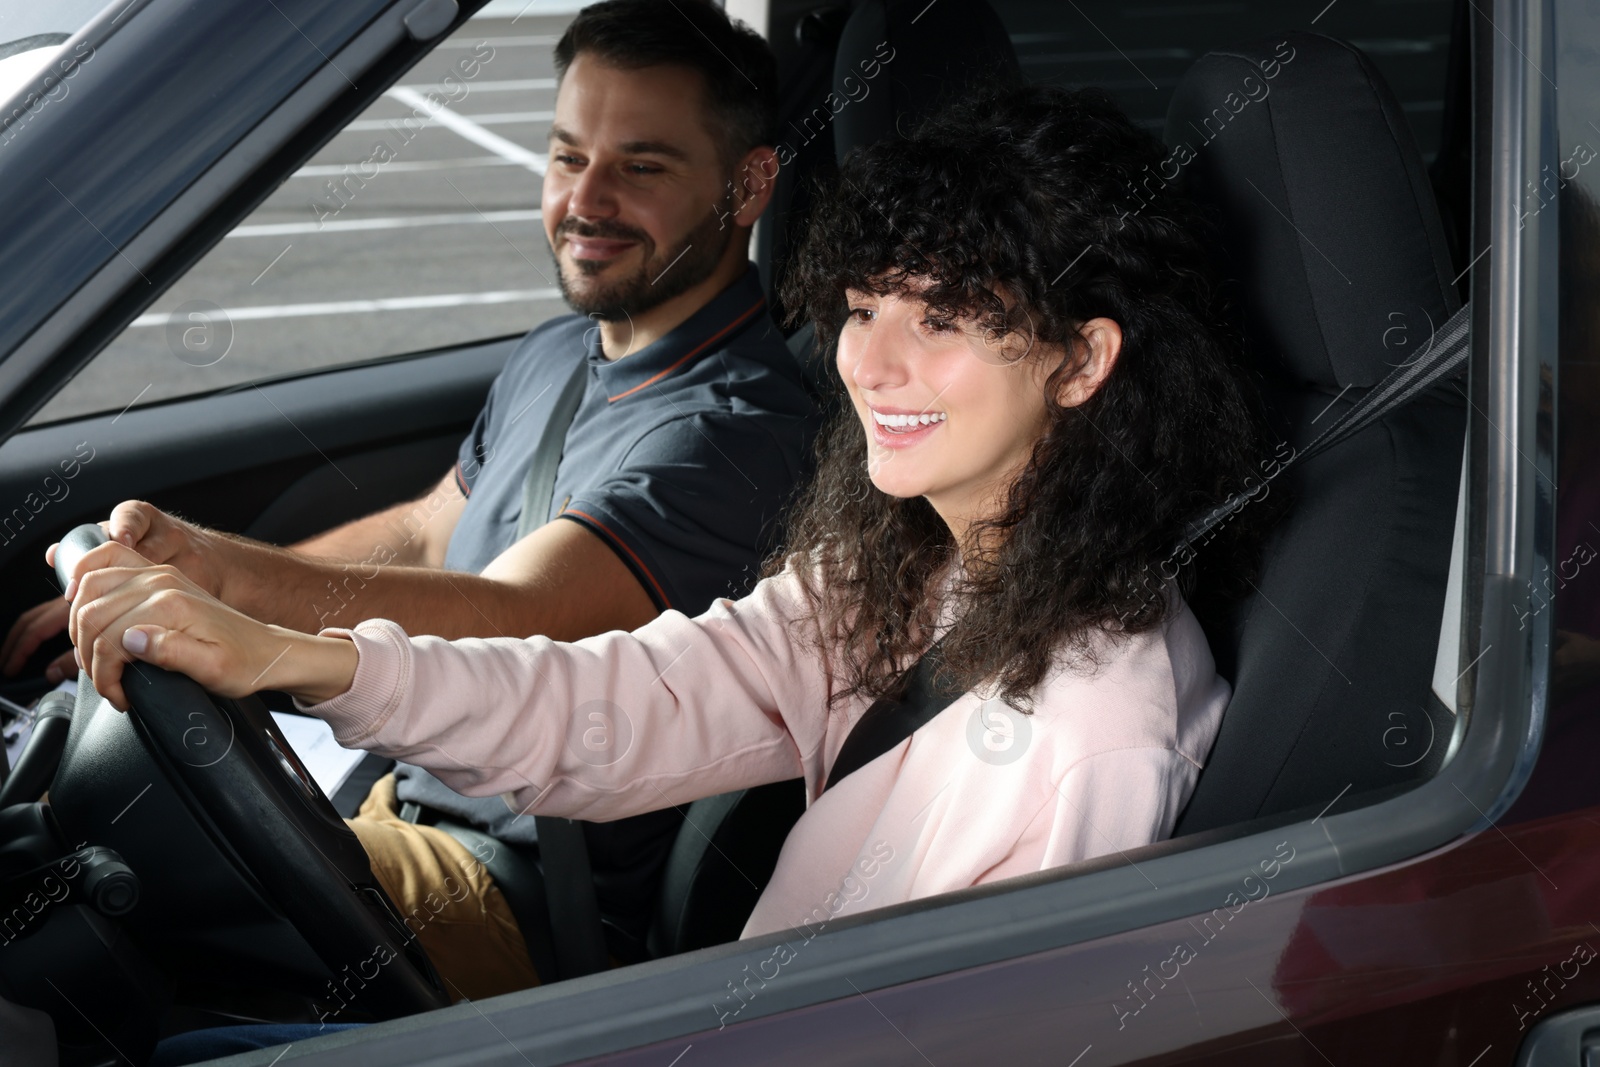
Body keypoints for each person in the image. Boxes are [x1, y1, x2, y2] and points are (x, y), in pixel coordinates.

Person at [66, 82, 1268, 1055]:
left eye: (943, 319)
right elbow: (611, 702)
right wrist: (304, 661)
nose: (873, 365)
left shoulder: (1090, 736)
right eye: (861, 306)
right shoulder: (908, 575)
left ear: (1081, 361)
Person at [11, 0, 819, 999]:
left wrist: (227, 580)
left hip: (522, 899)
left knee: (97, 917)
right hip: (413, 801)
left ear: (747, 186)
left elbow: (515, 619)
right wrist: (190, 572)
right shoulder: (562, 355)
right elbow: (425, 530)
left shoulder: (733, 433)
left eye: (641, 168)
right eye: (568, 157)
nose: (586, 200)